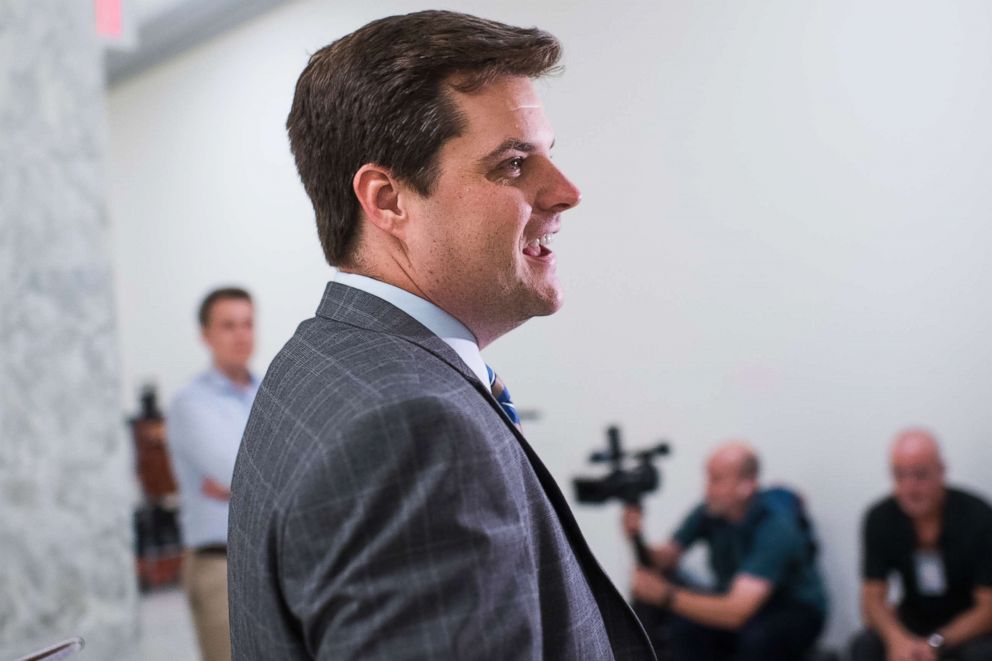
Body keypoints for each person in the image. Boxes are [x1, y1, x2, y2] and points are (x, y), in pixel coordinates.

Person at [226, 10, 654, 661]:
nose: (565, 192)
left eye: (548, 156)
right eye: (513, 164)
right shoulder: (412, 429)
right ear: (389, 199)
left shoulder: (316, 364)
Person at [625, 442, 827, 661]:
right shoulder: (709, 512)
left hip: (791, 610)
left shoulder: (776, 527)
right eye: (708, 478)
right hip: (738, 601)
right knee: (685, 627)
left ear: (746, 485)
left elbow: (736, 612)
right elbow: (665, 559)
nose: (708, 489)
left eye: (717, 480)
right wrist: (636, 536)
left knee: (757, 640)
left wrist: (664, 595)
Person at [168, 287, 258, 661]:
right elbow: (240, 470)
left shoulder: (270, 390)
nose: (241, 334)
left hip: (274, 560)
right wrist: (249, 481)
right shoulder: (190, 403)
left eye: (248, 324)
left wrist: (244, 484)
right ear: (206, 335)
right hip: (219, 568)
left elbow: (259, 475)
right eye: (228, 326)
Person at [850, 429, 992, 661]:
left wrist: (937, 642)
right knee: (865, 646)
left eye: (920, 475)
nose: (910, 488)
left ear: (941, 471)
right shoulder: (880, 518)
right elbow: (872, 599)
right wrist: (897, 640)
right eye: (900, 476)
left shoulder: (978, 517)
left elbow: (988, 608)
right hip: (912, 621)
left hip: (967, 628)